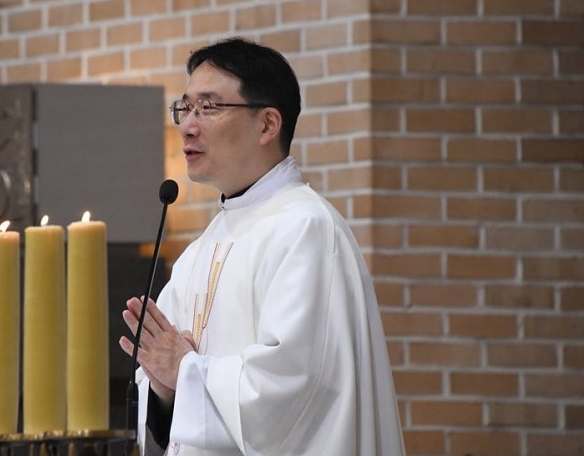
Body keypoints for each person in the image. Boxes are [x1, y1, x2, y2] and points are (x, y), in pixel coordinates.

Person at [119, 37, 405, 456]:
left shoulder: (305, 229)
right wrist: (163, 388)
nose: (187, 126)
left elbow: (292, 391)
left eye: (208, 107)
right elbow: (169, 395)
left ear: (268, 125)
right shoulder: (200, 251)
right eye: (186, 108)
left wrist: (186, 370)